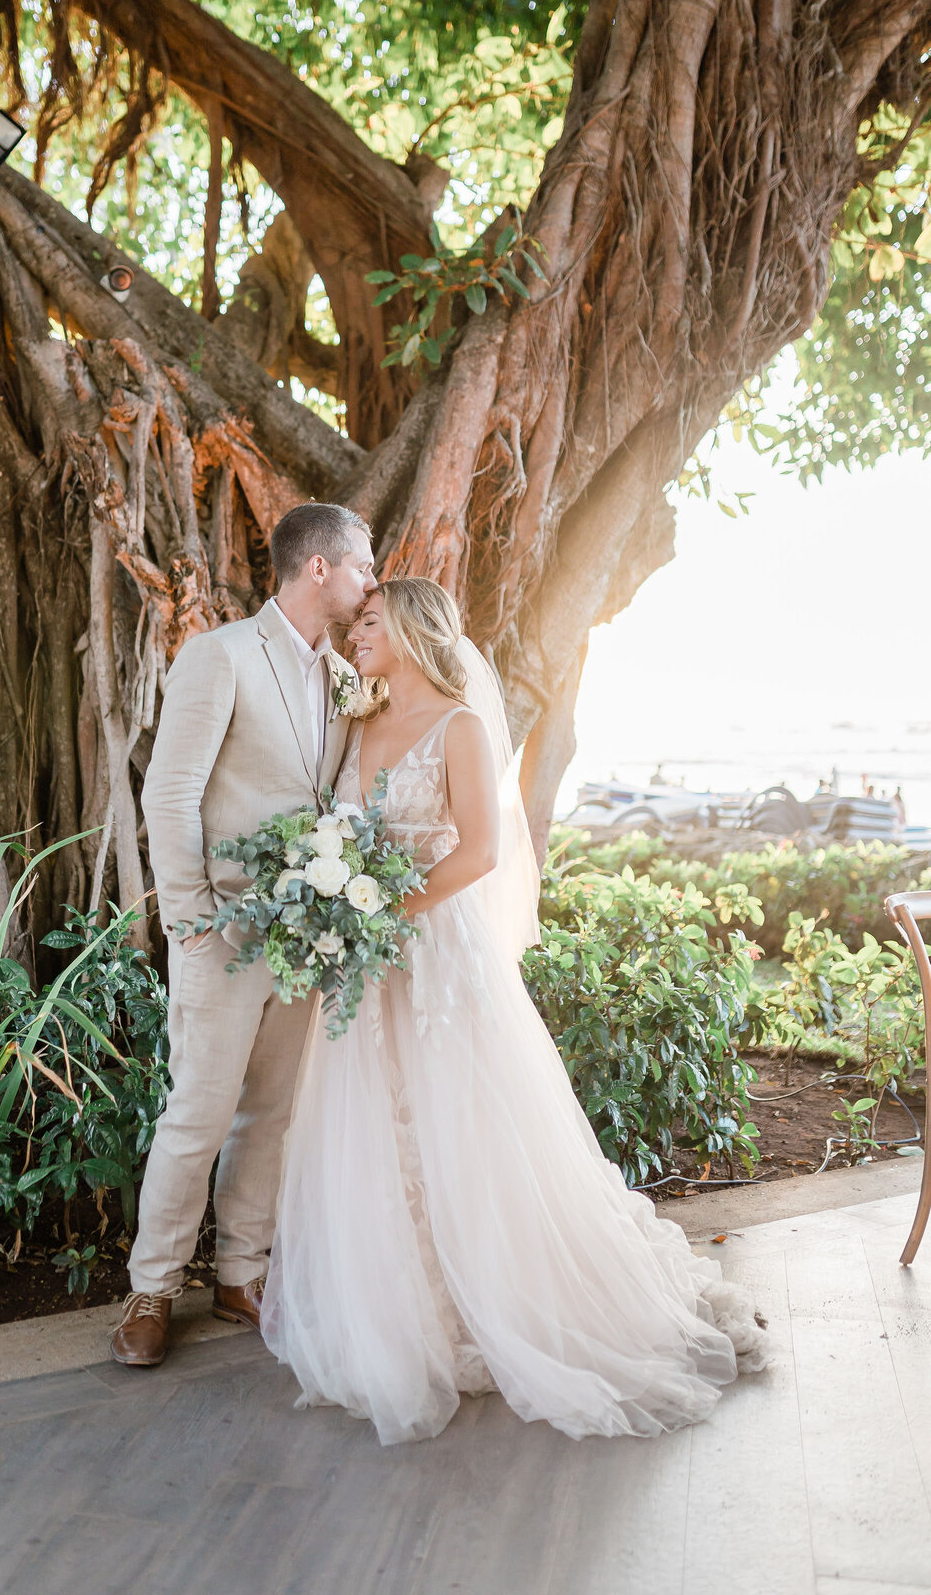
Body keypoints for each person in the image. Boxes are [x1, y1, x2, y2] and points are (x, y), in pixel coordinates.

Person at [261, 579, 767, 1445]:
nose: (356, 639)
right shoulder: (356, 724)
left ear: (415, 632)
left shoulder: (458, 726)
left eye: (371, 624)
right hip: (367, 963)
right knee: (379, 1125)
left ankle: (502, 1297)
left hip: (435, 952)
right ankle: (406, 1308)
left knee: (464, 1122)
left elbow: (483, 852)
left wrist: (385, 907)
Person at [110, 502, 377, 1369]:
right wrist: (187, 922)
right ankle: (151, 1288)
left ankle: (239, 1273)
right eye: (362, 566)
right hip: (219, 935)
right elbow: (169, 793)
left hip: (302, 937)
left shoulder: (345, 679)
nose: (371, 583)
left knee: (272, 1113)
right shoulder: (218, 656)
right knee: (197, 1114)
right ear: (317, 569)